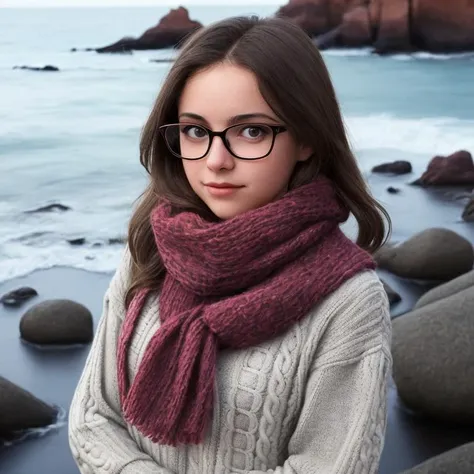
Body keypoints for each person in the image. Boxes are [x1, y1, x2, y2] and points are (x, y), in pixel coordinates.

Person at [69, 15, 392, 474]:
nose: (216, 161)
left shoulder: (349, 301)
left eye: (252, 131)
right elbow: (92, 419)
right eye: (196, 131)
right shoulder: (151, 248)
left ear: (306, 138)